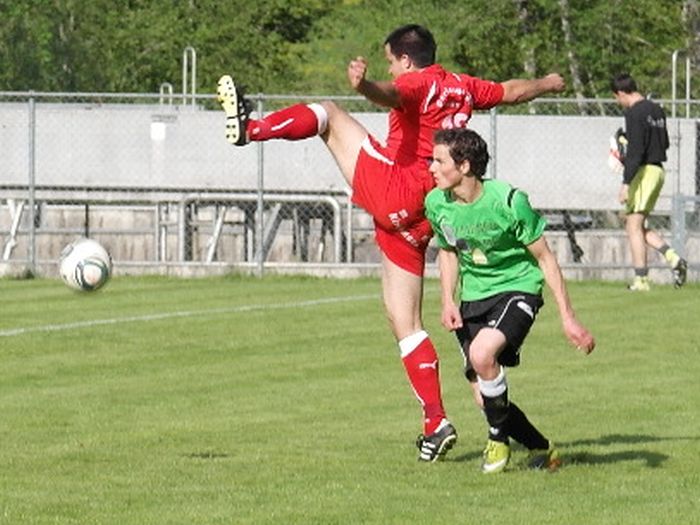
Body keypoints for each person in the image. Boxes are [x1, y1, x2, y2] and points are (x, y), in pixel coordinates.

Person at [216, 24, 565, 462]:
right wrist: (547, 84)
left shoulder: (417, 81)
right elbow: (512, 91)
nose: (390, 68)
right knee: (404, 321)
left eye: (390, 61)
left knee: (328, 115)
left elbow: (393, 95)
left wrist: (364, 85)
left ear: (405, 59)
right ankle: (436, 423)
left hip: (402, 186)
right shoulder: (463, 87)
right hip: (431, 209)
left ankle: (251, 128)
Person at [425, 127, 595, 473]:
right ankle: (544, 449)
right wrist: (447, 300)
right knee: (484, 396)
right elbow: (447, 251)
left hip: (518, 289)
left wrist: (568, 317)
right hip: (473, 298)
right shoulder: (436, 203)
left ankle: (497, 444)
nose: (431, 167)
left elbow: (545, 258)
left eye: (438, 160)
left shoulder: (508, 201)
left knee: (482, 353)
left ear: (465, 166)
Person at [610, 73, 687, 291]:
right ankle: (673, 258)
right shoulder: (656, 109)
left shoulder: (634, 113)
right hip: (658, 170)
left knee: (632, 225)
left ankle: (641, 280)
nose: (618, 102)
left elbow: (636, 150)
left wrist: (626, 183)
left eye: (617, 97)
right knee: (635, 223)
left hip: (644, 172)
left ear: (622, 93)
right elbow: (664, 143)